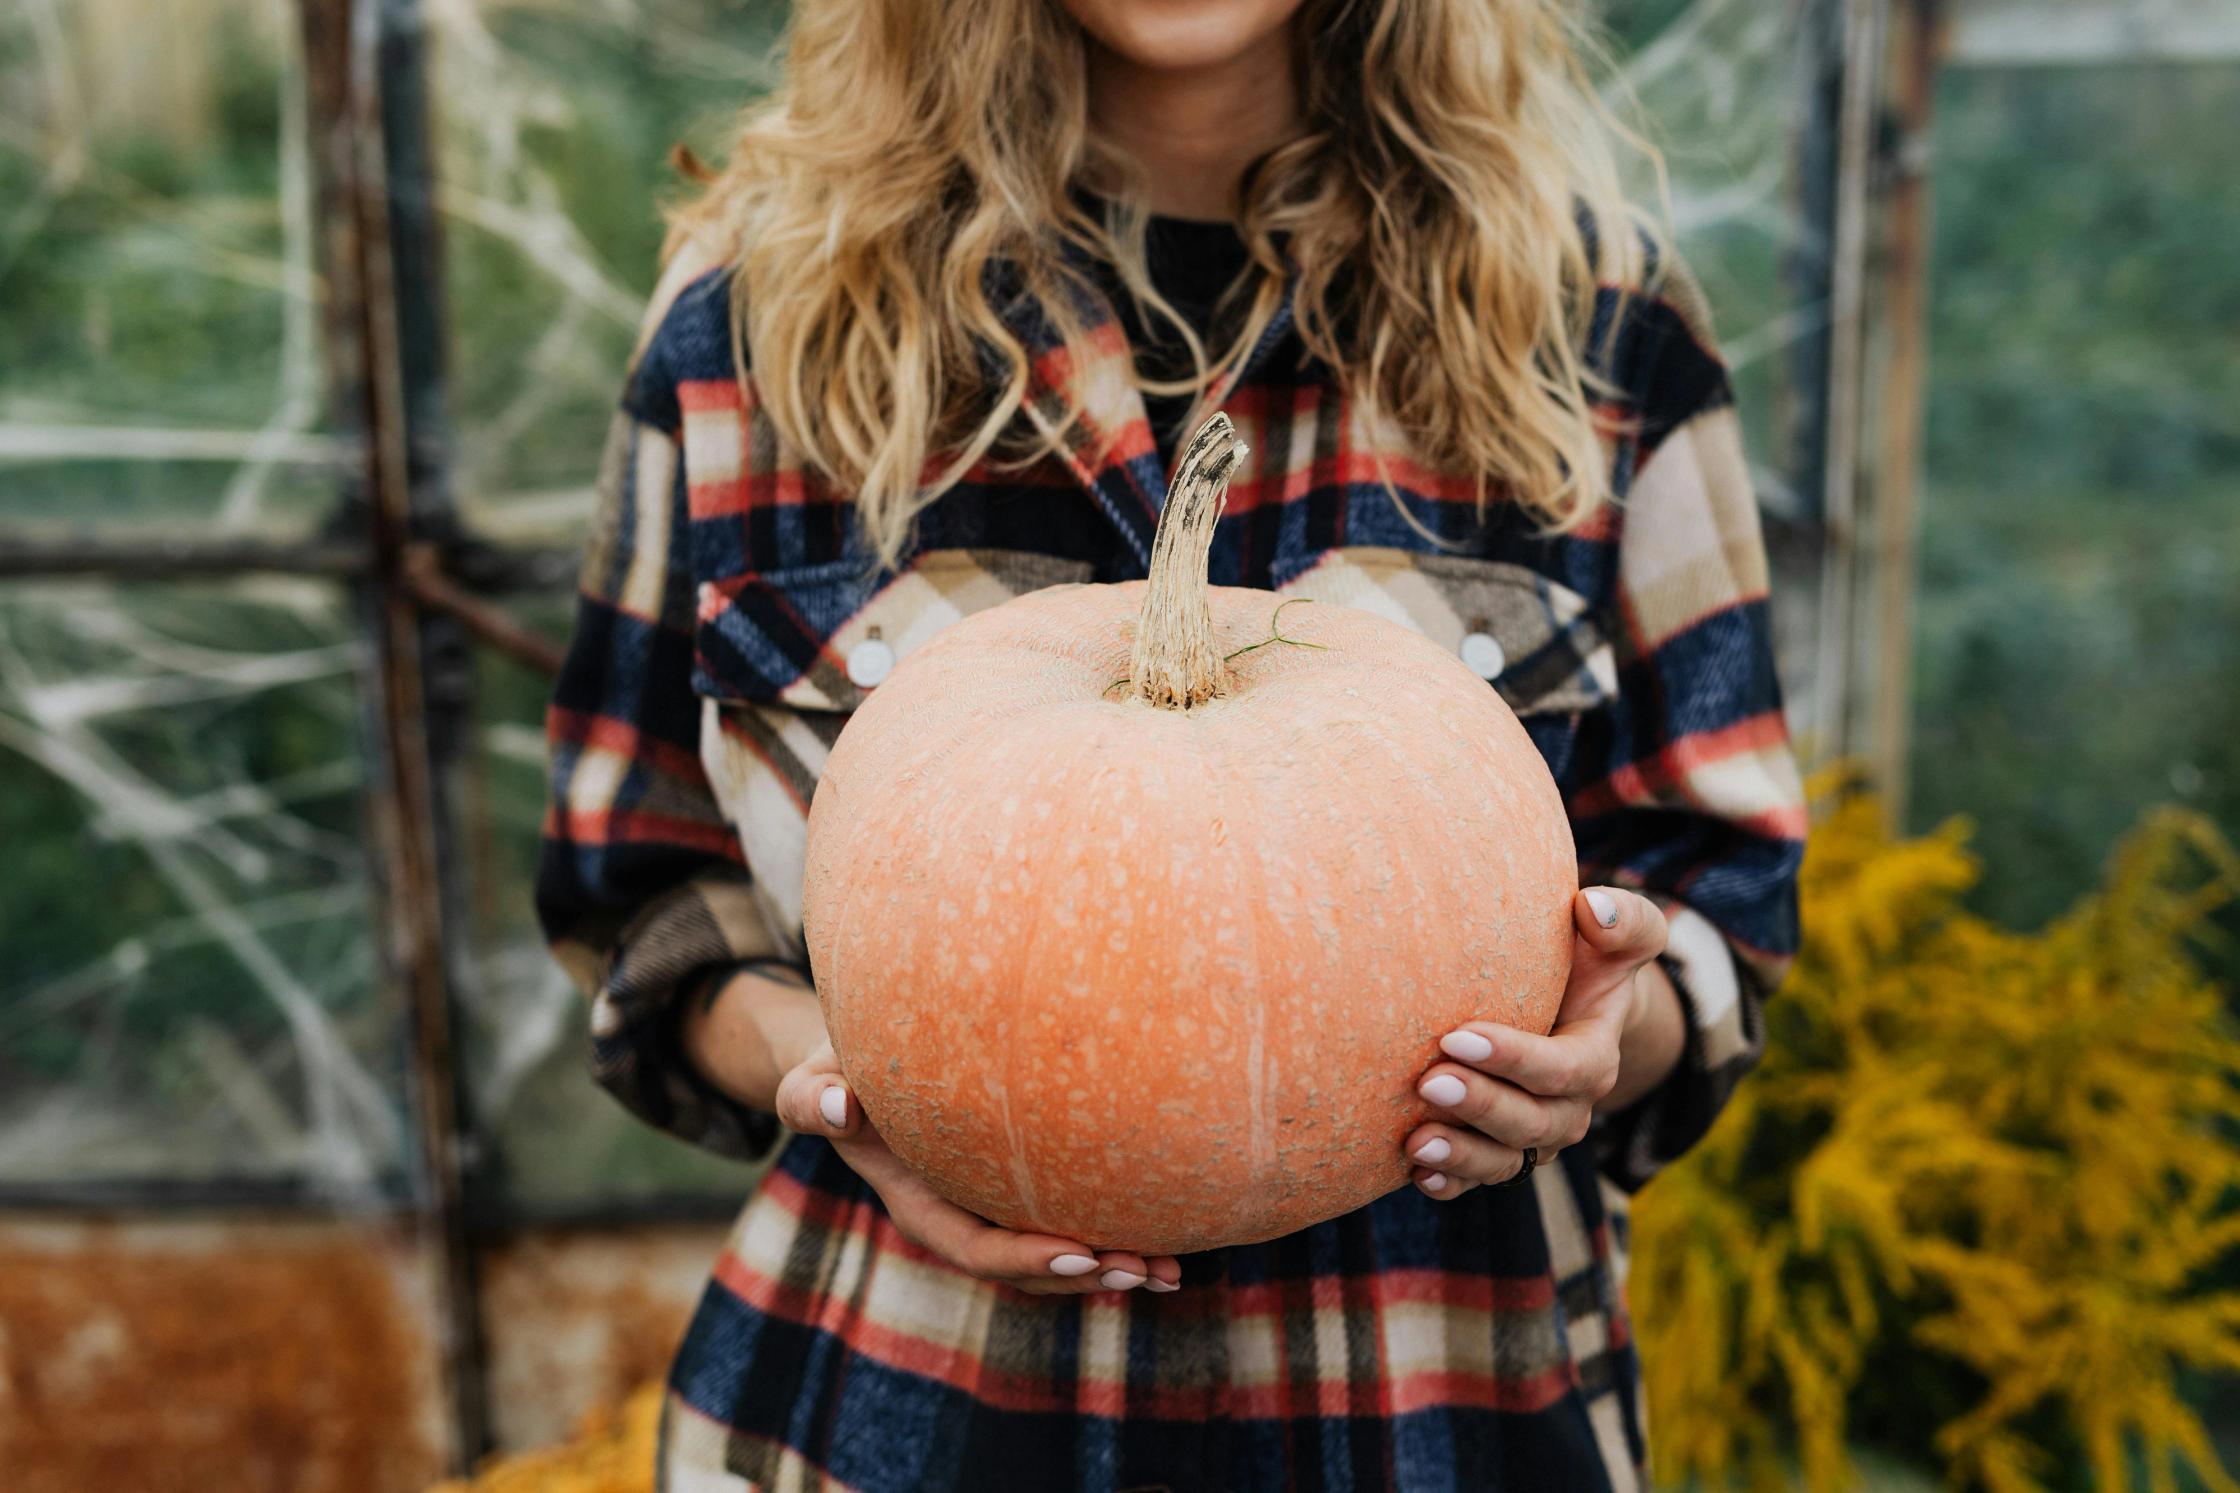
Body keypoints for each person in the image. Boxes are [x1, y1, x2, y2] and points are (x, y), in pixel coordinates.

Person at [536, 0, 1806, 1486]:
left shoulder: (1596, 321)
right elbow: (637, 894)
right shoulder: (758, 312)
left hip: (1436, 1411)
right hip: (905, 1408)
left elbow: (1725, 896)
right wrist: (848, 1085)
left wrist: (1605, 1032)